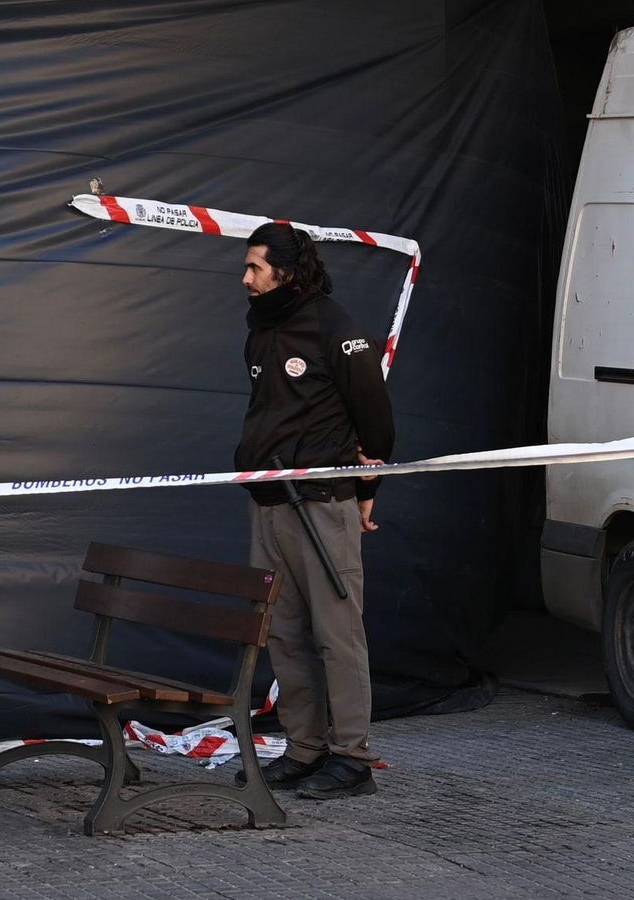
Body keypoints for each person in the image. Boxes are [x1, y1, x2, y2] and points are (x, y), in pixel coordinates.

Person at [232, 221, 394, 800]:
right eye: (247, 265)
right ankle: (304, 748)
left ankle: (351, 758)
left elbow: (374, 416)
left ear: (287, 271)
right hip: (269, 504)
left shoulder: (336, 328)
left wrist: (367, 485)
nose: (245, 277)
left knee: (337, 634)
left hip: (322, 504)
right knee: (285, 635)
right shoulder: (261, 329)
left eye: (255, 266)